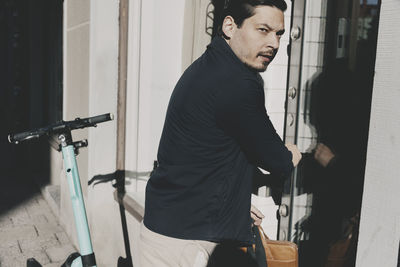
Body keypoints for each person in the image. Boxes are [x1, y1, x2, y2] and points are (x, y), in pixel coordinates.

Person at [140, 0, 302, 266]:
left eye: (279, 33)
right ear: (229, 26)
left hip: (171, 228)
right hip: (182, 242)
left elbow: (207, 153)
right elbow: (277, 160)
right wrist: (293, 153)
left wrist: (233, 199)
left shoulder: (211, 66)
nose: (274, 43)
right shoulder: (237, 82)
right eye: (263, 30)